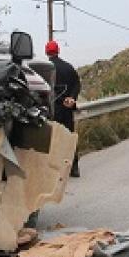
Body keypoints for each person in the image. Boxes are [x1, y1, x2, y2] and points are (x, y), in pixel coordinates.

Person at [46, 39, 81, 177]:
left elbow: (47, 90)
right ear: (58, 51)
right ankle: (74, 168)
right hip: (67, 109)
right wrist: (71, 98)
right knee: (69, 137)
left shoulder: (47, 69)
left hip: (53, 109)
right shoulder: (68, 67)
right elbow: (77, 84)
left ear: (46, 52)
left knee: (54, 139)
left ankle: (56, 170)